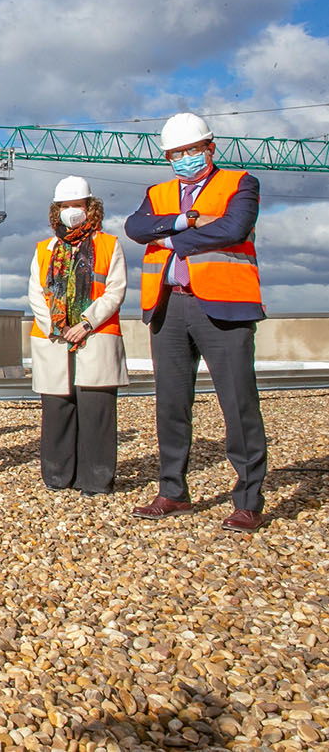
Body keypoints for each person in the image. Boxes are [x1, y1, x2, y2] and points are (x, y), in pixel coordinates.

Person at [124, 112, 269, 533]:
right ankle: (172, 492)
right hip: (168, 307)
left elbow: (235, 227)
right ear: (167, 156)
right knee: (171, 404)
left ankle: (248, 499)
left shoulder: (240, 183)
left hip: (224, 306)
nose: (185, 158)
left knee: (239, 404)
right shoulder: (159, 192)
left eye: (192, 150)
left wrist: (166, 236)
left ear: (210, 147)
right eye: (176, 153)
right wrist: (187, 221)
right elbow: (136, 227)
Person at [28, 176, 129, 496]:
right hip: (54, 339)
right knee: (57, 411)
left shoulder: (109, 245)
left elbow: (115, 291)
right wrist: (55, 326)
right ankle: (57, 476)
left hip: (95, 335)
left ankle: (96, 479)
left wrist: (86, 323)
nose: (72, 211)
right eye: (65, 206)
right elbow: (36, 293)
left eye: (78, 205)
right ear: (56, 210)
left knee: (96, 410)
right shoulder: (44, 249)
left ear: (91, 207)